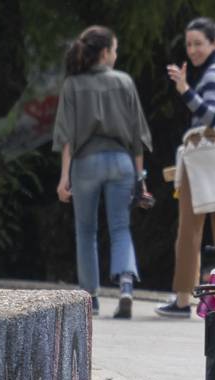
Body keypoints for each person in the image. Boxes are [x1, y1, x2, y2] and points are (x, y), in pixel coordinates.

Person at [53, 25, 151, 318]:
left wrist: (64, 177)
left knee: (86, 231)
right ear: (106, 52)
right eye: (116, 49)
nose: (116, 54)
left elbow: (66, 136)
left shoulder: (72, 85)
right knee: (120, 227)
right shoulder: (124, 82)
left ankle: (90, 297)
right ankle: (124, 285)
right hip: (121, 162)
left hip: (85, 164)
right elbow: (138, 137)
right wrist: (140, 179)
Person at [157, 17, 215, 318]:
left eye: (198, 43)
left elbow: (210, 115)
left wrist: (184, 88)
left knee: (189, 232)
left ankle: (183, 299)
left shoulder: (211, 74)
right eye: (189, 44)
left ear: (214, 42)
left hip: (205, 158)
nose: (193, 49)